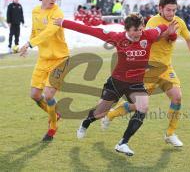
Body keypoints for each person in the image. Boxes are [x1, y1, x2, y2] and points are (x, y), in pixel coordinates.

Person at [54, 13, 177, 156]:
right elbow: (89, 29)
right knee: (100, 113)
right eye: (135, 30)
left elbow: (163, 28)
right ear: (127, 29)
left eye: (140, 29)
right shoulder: (117, 37)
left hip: (136, 84)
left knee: (143, 108)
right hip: (117, 82)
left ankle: (123, 143)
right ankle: (86, 122)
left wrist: (171, 32)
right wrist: (63, 22)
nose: (138, 33)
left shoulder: (148, 35)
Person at [102, 0, 190, 147]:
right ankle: (111, 114)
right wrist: (167, 33)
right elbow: (147, 40)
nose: (171, 13)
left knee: (177, 97)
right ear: (160, 9)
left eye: (174, 10)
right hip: (148, 68)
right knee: (136, 106)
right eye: (168, 10)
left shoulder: (179, 22)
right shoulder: (153, 22)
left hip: (166, 68)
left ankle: (170, 134)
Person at [19, 0, 69, 142]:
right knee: (34, 95)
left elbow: (49, 32)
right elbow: (35, 31)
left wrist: (30, 44)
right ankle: (54, 113)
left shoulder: (57, 13)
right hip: (43, 58)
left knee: (48, 95)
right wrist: (28, 43)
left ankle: (53, 126)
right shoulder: (35, 11)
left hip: (60, 59)